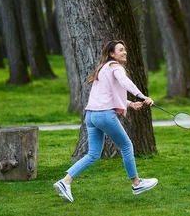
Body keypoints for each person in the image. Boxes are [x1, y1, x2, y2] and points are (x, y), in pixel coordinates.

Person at [54, 40, 158, 203]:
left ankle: (65, 181)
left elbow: (107, 93)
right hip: (103, 115)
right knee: (126, 146)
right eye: (121, 50)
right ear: (112, 54)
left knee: (93, 154)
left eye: (125, 50)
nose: (125, 52)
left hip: (91, 116)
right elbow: (125, 83)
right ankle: (136, 183)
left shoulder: (103, 69)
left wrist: (129, 103)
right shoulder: (115, 67)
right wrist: (142, 96)